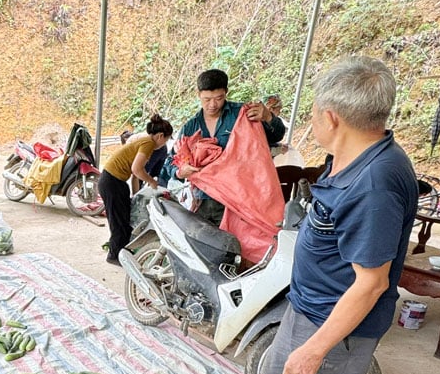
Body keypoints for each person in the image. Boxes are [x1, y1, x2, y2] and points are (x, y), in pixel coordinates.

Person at [235, 56, 419, 374]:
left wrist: (318, 346)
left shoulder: (375, 184)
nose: (311, 123)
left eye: (313, 114)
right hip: (309, 302)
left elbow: (371, 283)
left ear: (331, 118)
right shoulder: (353, 156)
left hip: (340, 323)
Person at [166, 69, 285, 225]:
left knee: (240, 245)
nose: (213, 105)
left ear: (226, 93)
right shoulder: (191, 126)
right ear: (198, 94)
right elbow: (170, 161)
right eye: (207, 99)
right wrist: (180, 172)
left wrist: (268, 117)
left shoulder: (242, 115)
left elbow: (276, 136)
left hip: (240, 199)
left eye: (219, 98)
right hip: (203, 200)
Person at [99, 113, 173, 266]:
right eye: (166, 139)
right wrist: (152, 182)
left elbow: (135, 174)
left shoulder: (145, 141)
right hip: (111, 181)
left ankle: (122, 252)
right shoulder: (148, 144)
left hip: (116, 182)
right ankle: (115, 255)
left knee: (124, 218)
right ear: (160, 136)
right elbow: (137, 170)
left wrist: (136, 194)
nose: (165, 143)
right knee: (119, 222)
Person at [265, 94, 304, 167]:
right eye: (278, 110)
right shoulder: (259, 123)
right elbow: (258, 147)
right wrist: (276, 150)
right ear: (270, 109)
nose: (279, 112)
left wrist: (278, 146)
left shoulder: (273, 122)